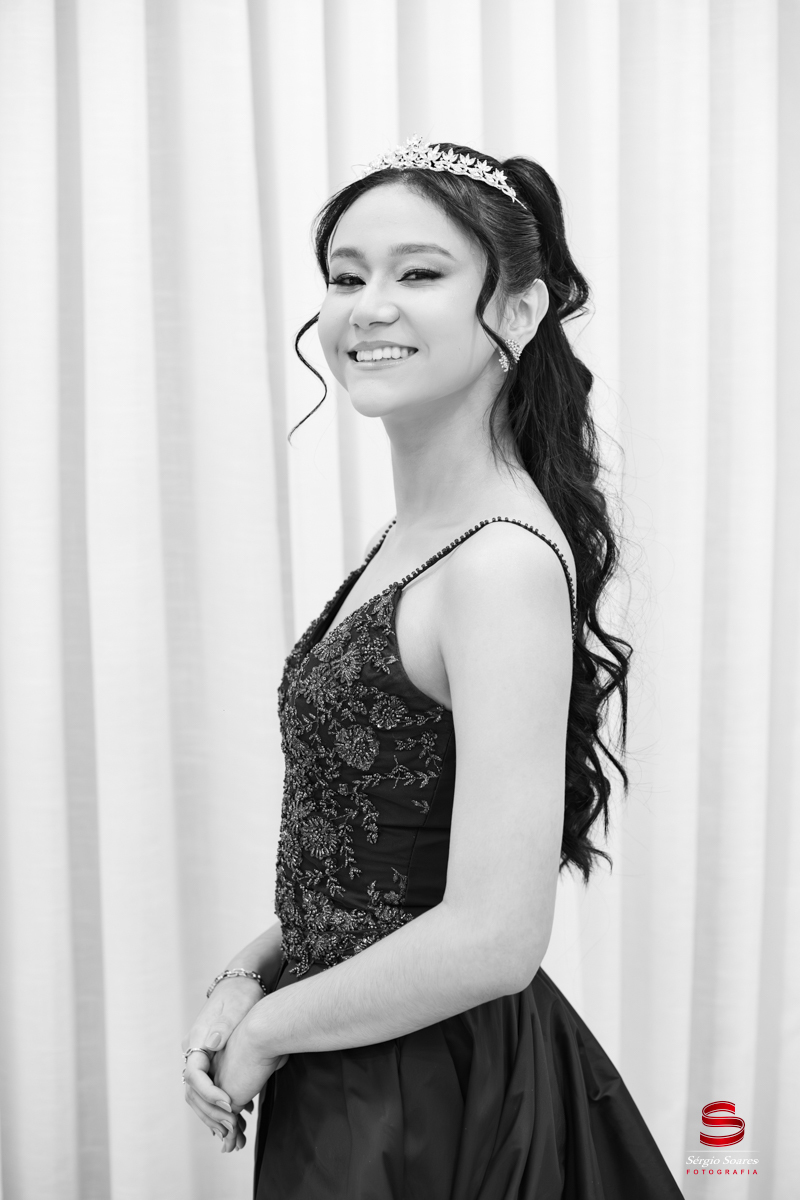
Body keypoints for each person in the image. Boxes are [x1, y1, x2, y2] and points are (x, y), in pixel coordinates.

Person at [181, 137, 681, 1199]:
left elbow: (495, 937)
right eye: (345, 275)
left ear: (519, 310)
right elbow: (377, 862)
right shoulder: (420, 536)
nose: (369, 307)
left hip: (427, 1097)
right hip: (357, 1051)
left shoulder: (497, 562)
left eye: (418, 272)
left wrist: (268, 1027)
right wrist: (247, 976)